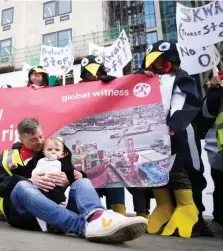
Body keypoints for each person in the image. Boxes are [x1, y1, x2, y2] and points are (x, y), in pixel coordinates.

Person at [0, 118, 147, 243]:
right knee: (22, 186)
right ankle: (83, 226)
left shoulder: (55, 148)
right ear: (21, 139)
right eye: (33, 140)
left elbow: (72, 172)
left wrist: (72, 177)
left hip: (58, 205)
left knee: (82, 182)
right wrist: (29, 179)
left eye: (40, 136)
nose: (39, 142)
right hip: (26, 214)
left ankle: (96, 216)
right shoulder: (8, 157)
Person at [142, 40, 209, 238]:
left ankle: (194, 215)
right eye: (154, 60)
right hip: (154, 136)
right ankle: (165, 206)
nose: (157, 63)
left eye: (161, 59)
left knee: (186, 170)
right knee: (156, 171)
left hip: (180, 133)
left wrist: (175, 123)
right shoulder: (147, 79)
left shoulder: (181, 77)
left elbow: (184, 100)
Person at [78, 55, 126, 215]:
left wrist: (115, 83)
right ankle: (96, 214)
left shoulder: (111, 84)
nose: (94, 77)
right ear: (84, 75)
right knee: (92, 183)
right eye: (89, 74)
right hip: (87, 147)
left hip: (108, 145)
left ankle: (120, 213)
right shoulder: (75, 91)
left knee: (115, 181)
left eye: (97, 72)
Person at [200, 72, 223, 235]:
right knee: (221, 186)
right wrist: (214, 93)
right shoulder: (218, 85)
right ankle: (220, 220)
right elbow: (206, 114)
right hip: (219, 148)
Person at [31, 137, 75, 205]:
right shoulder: (40, 161)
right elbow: (35, 171)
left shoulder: (63, 163)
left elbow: (70, 174)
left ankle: (60, 202)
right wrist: (33, 177)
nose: (53, 152)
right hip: (40, 186)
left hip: (56, 186)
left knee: (59, 193)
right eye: (49, 149)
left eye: (57, 150)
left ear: (62, 154)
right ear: (43, 151)